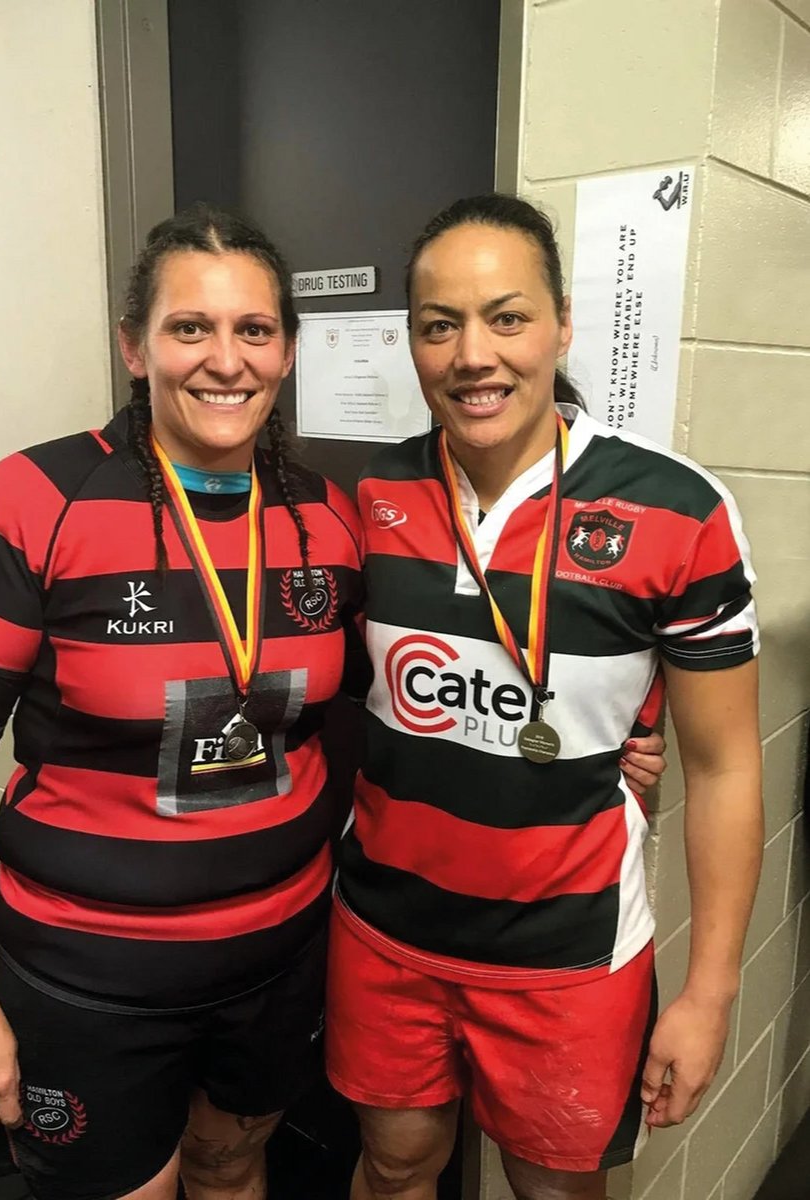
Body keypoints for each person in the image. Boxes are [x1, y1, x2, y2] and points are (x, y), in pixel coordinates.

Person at [0, 201, 664, 1200]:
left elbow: (409, 693)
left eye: (254, 331)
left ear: (287, 353)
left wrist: (586, 737)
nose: (226, 360)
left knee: (233, 1169)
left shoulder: (326, 520)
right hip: (88, 978)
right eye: (191, 329)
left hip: (280, 958)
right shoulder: (30, 503)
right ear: (135, 347)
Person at [325, 194, 763, 1200]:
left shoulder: (677, 511)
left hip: (572, 956)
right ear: (413, 344)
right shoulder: (368, 501)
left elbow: (730, 764)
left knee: (553, 1191)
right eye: (440, 326)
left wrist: (711, 989)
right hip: (387, 934)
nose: (473, 354)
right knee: (394, 1163)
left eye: (506, 317)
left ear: (563, 323)